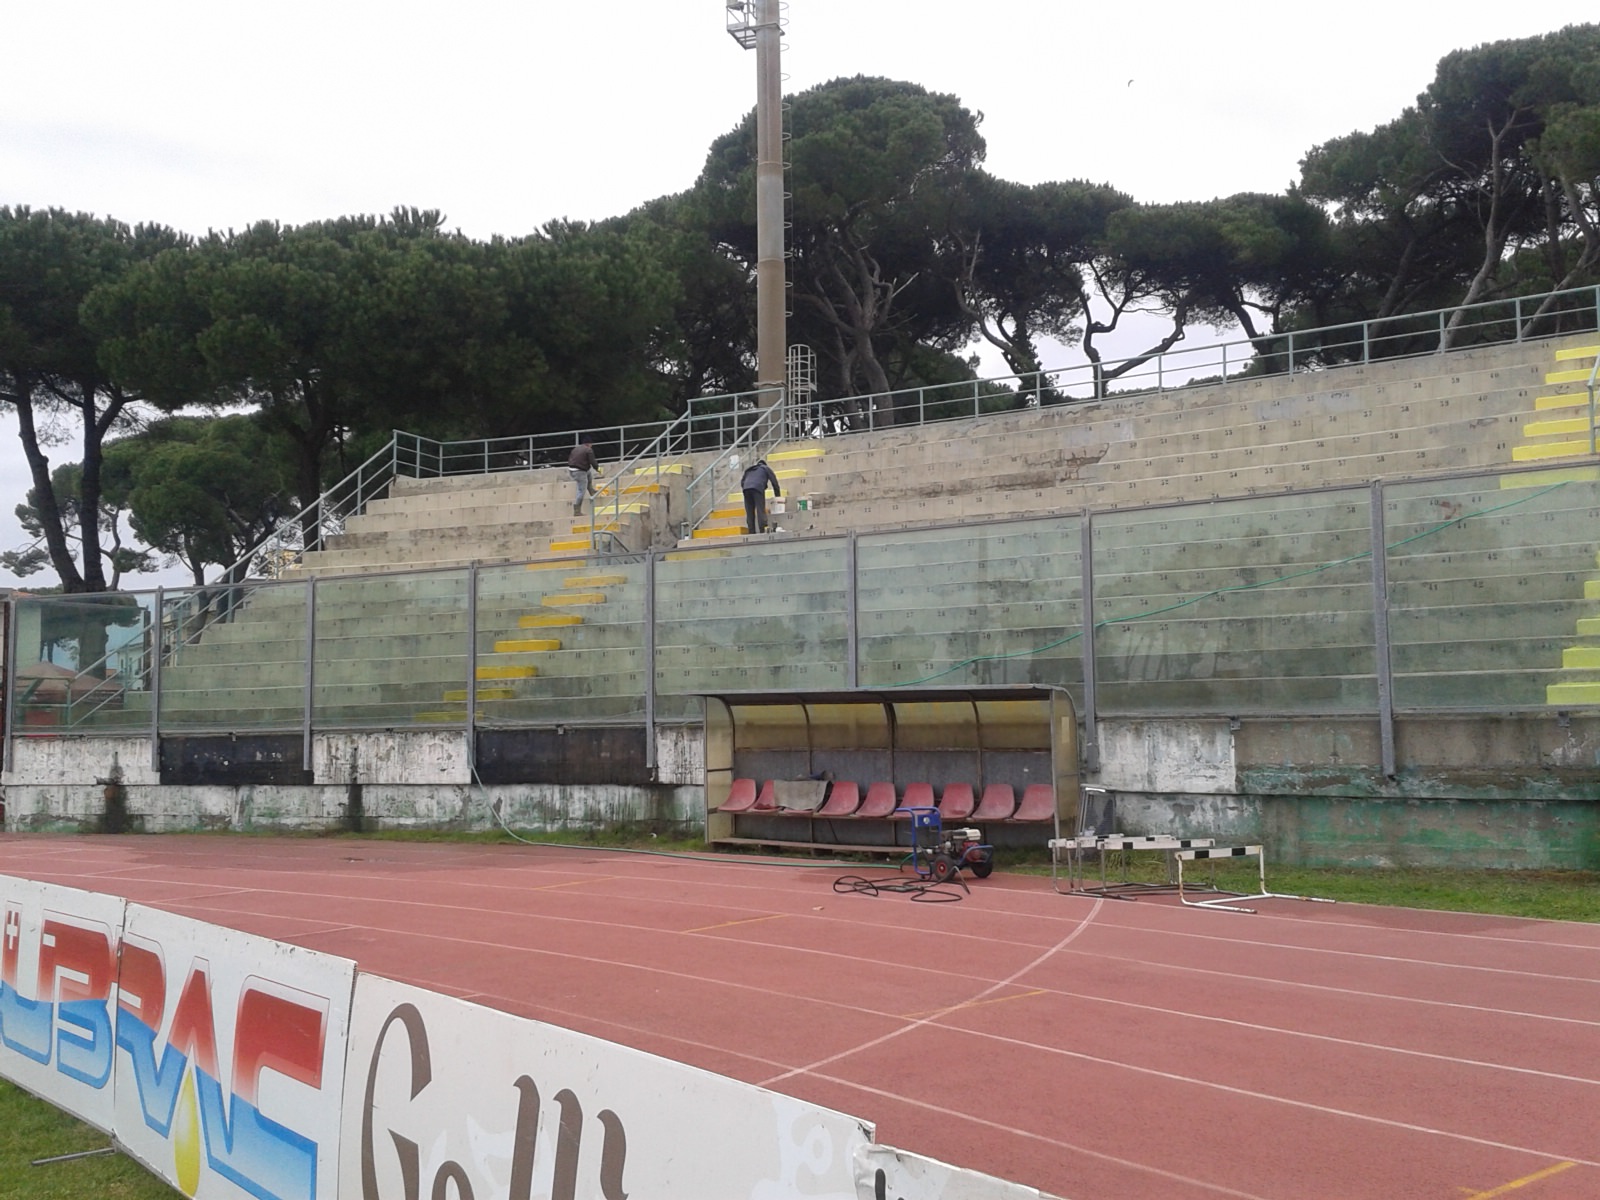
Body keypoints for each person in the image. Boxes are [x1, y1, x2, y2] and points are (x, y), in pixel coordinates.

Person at [740, 457, 781, 534]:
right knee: (760, 509)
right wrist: (778, 497)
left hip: (746, 489)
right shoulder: (765, 468)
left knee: (749, 512)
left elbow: (742, 482)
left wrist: (747, 489)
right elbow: (774, 482)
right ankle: (762, 530)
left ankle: (751, 532)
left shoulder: (749, 470)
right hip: (757, 488)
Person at [566, 437, 598, 516]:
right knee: (581, 490)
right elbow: (592, 461)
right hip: (579, 471)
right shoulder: (588, 450)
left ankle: (591, 490)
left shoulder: (576, 449)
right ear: (589, 444)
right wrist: (597, 468)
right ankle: (577, 510)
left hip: (572, 469)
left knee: (589, 474)